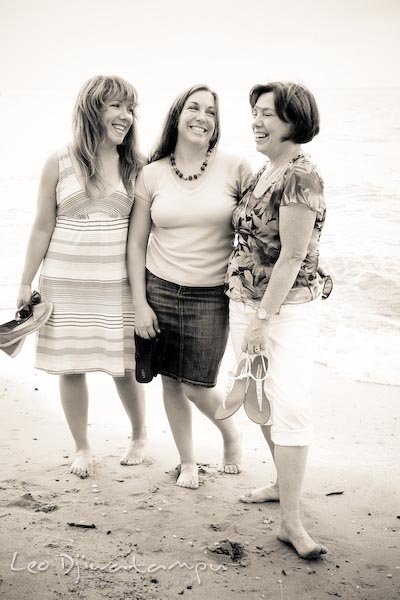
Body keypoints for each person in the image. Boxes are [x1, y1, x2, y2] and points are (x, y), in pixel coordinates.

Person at [17, 75, 147, 478]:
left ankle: (140, 435)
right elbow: (42, 226)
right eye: (116, 106)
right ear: (92, 109)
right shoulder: (58, 161)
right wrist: (25, 281)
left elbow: (143, 239)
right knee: (71, 366)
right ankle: (83, 448)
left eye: (130, 108)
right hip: (64, 281)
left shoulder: (137, 166)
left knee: (124, 366)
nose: (125, 116)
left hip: (116, 285)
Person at [128, 84, 252, 489]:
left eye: (211, 112)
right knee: (169, 382)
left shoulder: (236, 167)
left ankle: (230, 436)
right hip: (160, 290)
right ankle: (187, 461)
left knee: (198, 387)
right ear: (177, 116)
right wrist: (139, 304)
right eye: (194, 108)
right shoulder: (152, 173)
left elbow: (259, 231)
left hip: (211, 294)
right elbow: (136, 243)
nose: (203, 117)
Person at [226, 81, 328, 559]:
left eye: (268, 113)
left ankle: (291, 522)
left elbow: (291, 256)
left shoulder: (300, 177)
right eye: (255, 112)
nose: (257, 121)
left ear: (295, 122)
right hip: (247, 303)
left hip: (284, 312)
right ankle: (281, 484)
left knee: (292, 407)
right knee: (262, 400)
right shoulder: (265, 171)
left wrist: (262, 319)